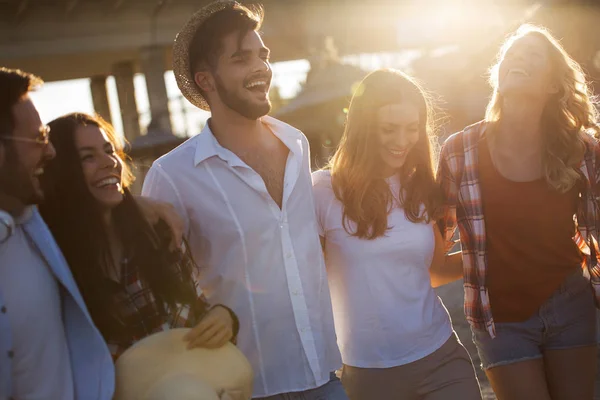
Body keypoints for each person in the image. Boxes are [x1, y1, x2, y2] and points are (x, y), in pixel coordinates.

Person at [142, 1, 345, 398]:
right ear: (206, 80)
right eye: (241, 58)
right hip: (243, 386)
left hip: (325, 376)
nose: (261, 68)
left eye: (262, 55)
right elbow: (159, 287)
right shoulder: (172, 176)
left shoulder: (296, 143)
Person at [435, 24, 600, 400]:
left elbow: (596, 237)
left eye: (531, 56)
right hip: (499, 319)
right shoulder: (459, 151)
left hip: (571, 305)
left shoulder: (582, 150)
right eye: (511, 54)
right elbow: (435, 246)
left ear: (554, 85)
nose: (517, 60)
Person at [312, 69, 481, 400]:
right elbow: (305, 280)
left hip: (441, 357)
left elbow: (432, 272)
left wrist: (489, 252)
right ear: (363, 129)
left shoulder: (423, 189)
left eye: (412, 129)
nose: (402, 141)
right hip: (368, 375)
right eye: (389, 129)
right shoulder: (322, 190)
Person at [38, 112, 240, 360]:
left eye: (109, 150)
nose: (109, 162)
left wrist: (224, 316)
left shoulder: (156, 234)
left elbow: (197, 312)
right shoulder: (53, 263)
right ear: (61, 172)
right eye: (87, 157)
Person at [0, 68, 114, 399]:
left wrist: (145, 206)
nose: (50, 152)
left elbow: (97, 204)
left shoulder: (36, 223)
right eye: (37, 139)